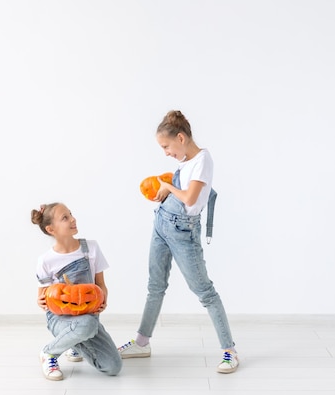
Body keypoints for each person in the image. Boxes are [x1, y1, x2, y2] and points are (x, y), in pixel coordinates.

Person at [118, 110, 239, 373]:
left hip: (183, 232)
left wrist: (168, 187)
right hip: (162, 224)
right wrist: (163, 192)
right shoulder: (186, 161)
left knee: (205, 292)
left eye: (166, 146)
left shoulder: (203, 160)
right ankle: (141, 342)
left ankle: (229, 351)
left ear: (181, 138)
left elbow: (190, 199)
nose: (166, 152)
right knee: (155, 286)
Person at [31, 202, 122, 380]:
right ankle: (49, 353)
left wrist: (103, 299)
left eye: (71, 214)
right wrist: (40, 301)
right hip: (60, 319)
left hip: (88, 317)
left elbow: (100, 284)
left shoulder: (91, 248)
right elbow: (43, 297)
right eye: (65, 218)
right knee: (86, 325)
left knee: (113, 367)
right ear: (51, 229)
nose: (73, 219)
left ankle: (74, 342)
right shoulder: (46, 261)